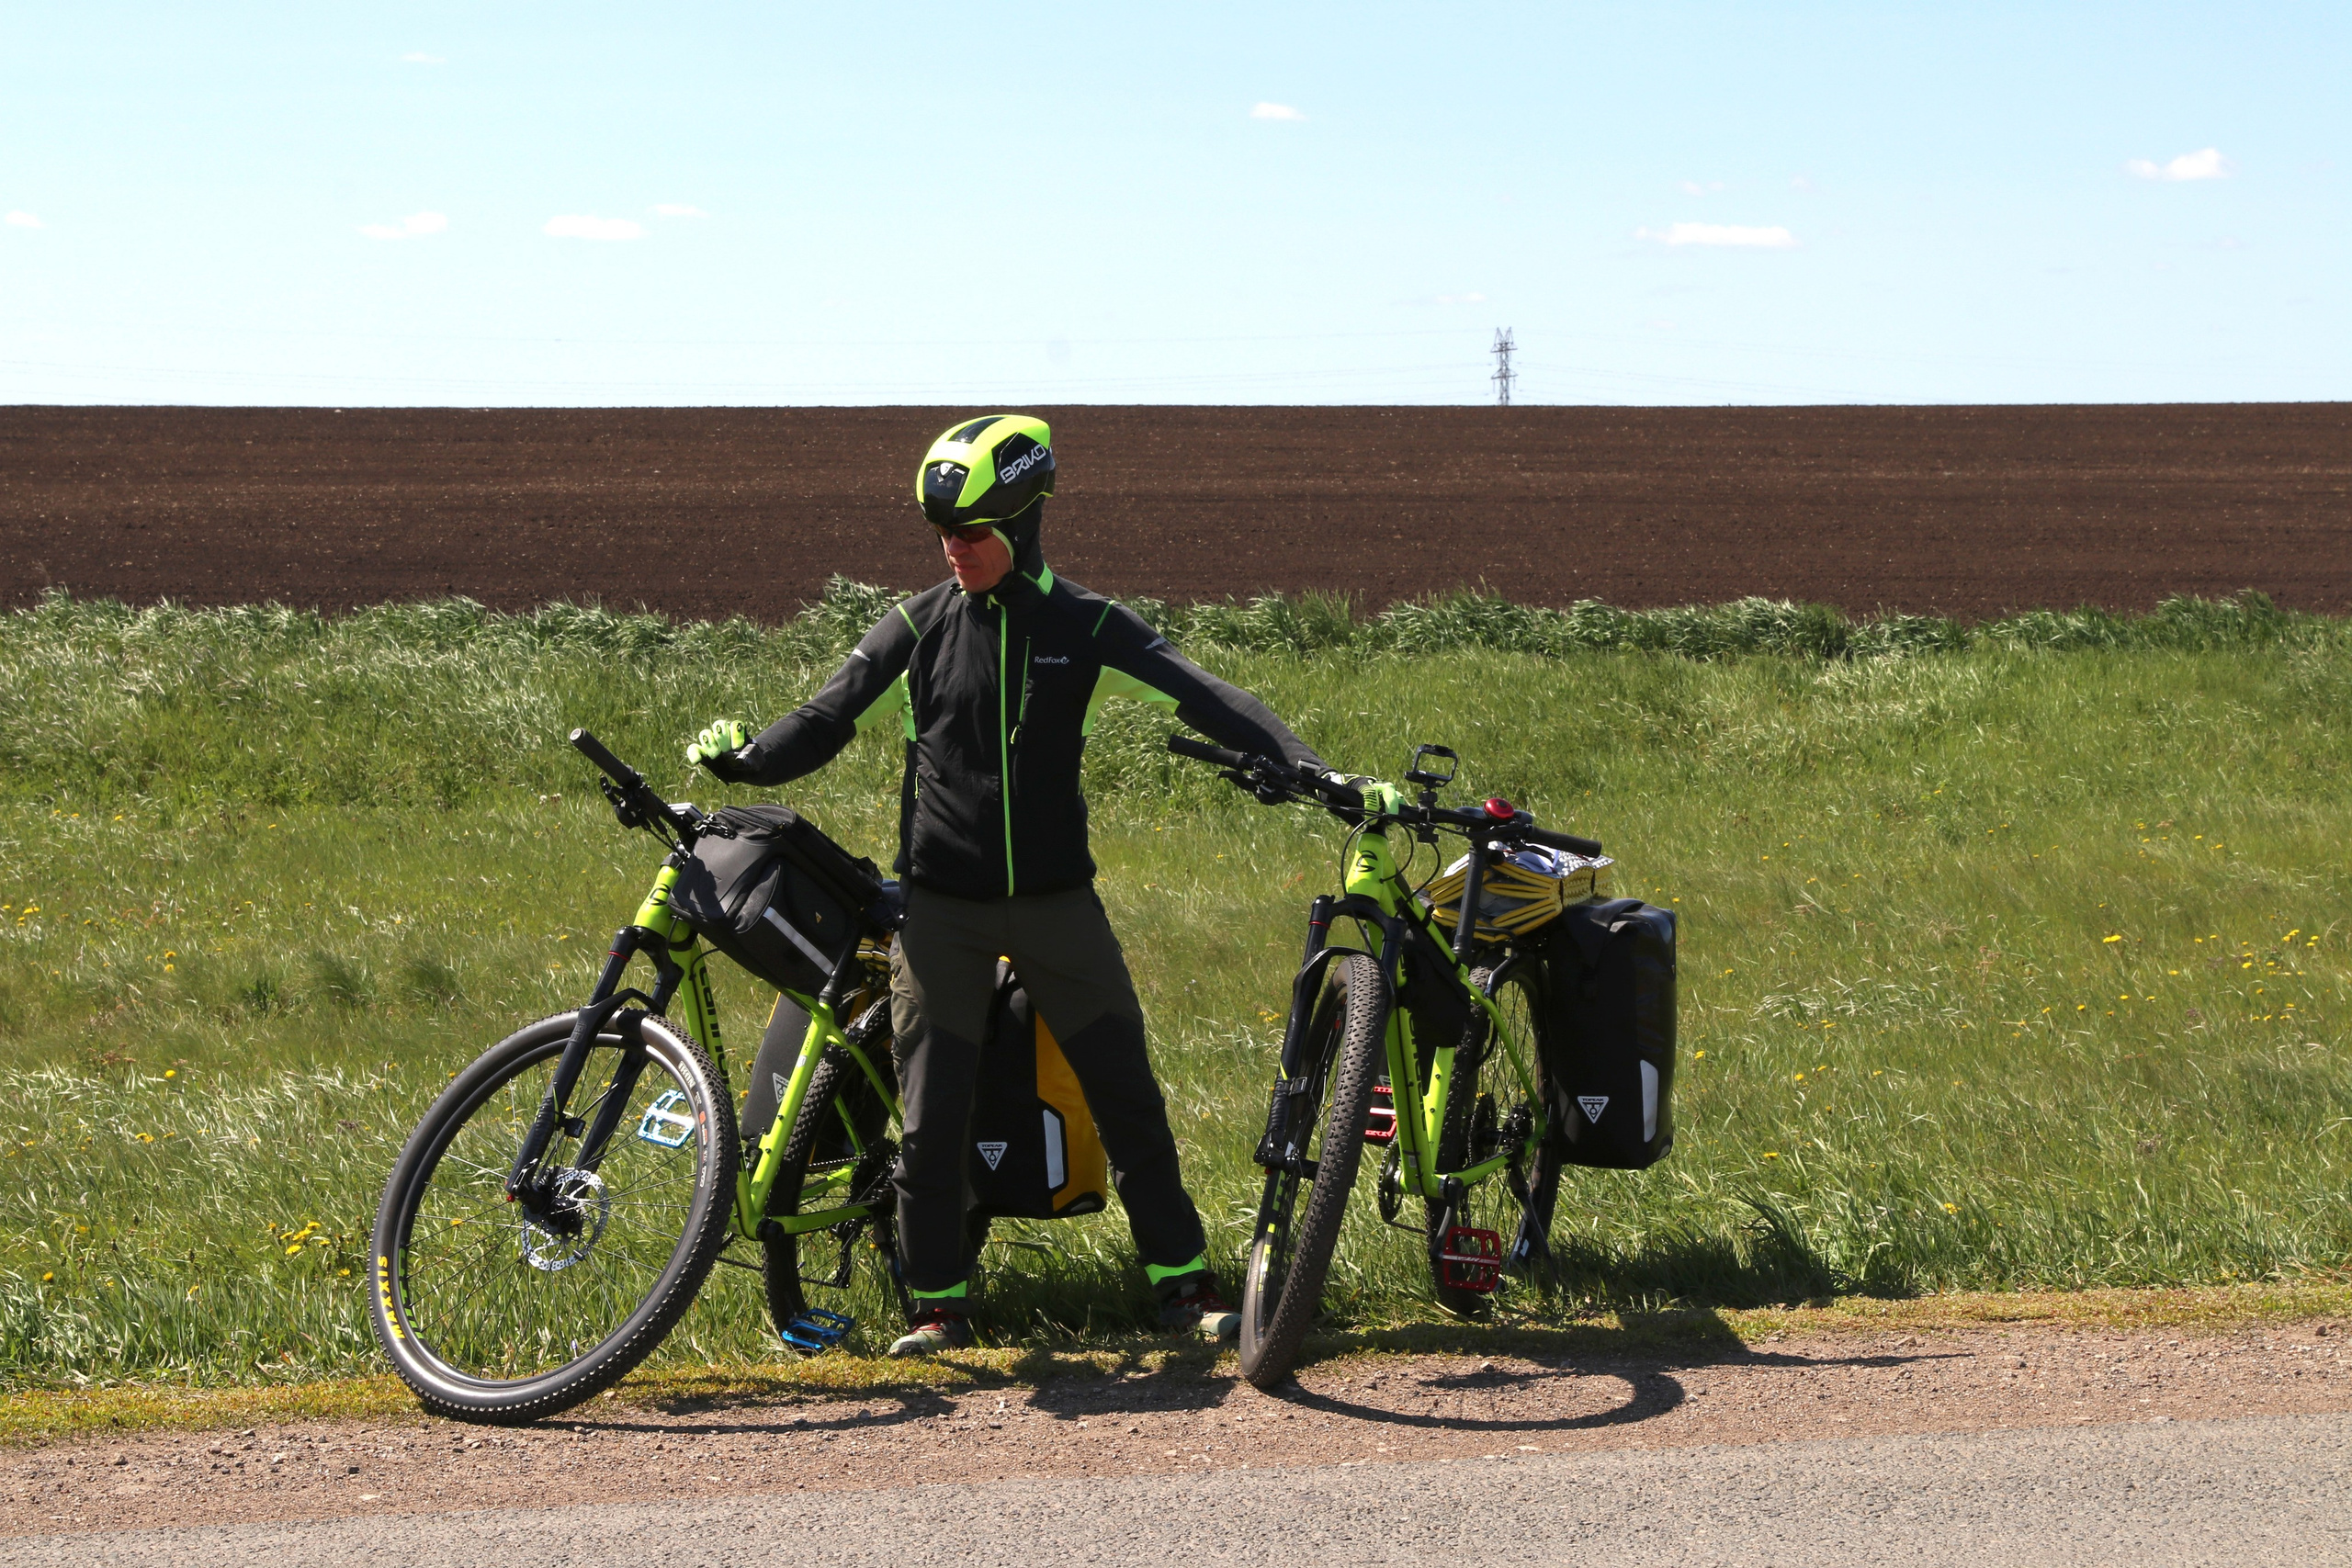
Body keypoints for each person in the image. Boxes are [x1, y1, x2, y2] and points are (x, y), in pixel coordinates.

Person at [684, 414, 1340, 1356]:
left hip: (1056, 908)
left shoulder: (1086, 625)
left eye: (972, 533)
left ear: (1026, 521)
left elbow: (1209, 698)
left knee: (1126, 1098)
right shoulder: (917, 623)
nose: (955, 551)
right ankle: (939, 1305)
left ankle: (1180, 1287)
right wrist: (746, 763)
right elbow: (827, 715)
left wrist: (1315, 769)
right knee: (930, 1113)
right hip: (939, 910)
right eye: (942, 536)